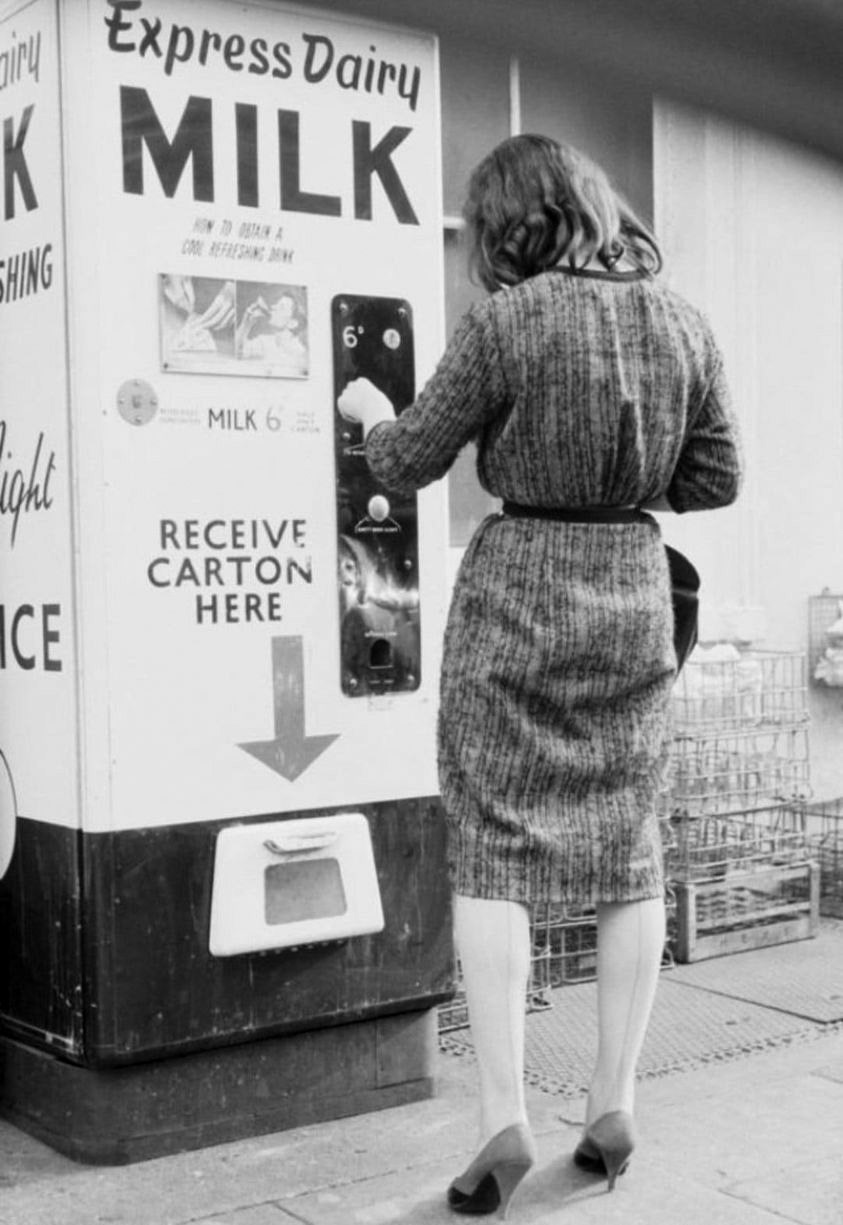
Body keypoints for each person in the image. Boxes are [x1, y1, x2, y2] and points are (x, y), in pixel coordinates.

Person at [338, 134, 742, 1217]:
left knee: (491, 844)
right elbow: (717, 477)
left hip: (519, 590)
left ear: (509, 225)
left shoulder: (507, 322)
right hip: (628, 587)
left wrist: (370, 411)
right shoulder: (684, 320)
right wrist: (630, 458)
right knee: (628, 841)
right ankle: (613, 1104)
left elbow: (406, 458)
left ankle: (504, 1118)